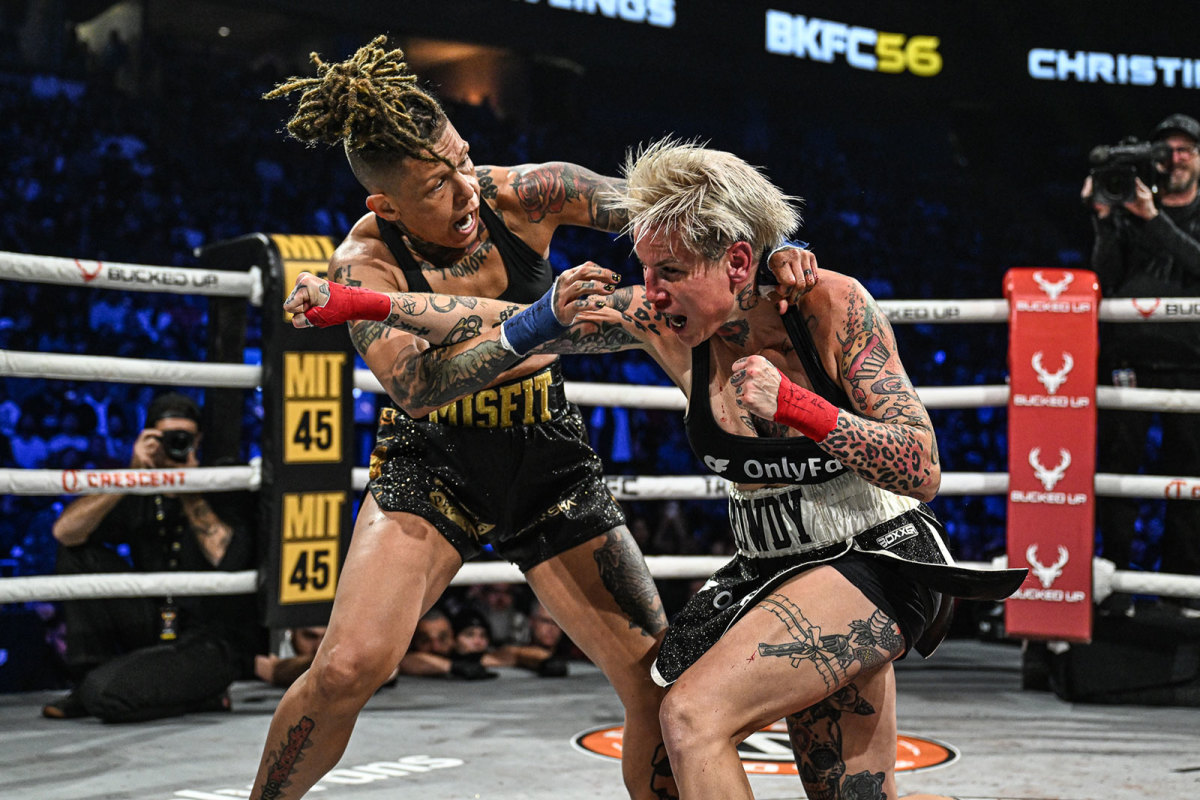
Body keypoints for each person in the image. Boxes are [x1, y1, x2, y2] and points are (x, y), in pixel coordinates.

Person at [286, 138, 1027, 800]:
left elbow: (921, 466)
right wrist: (354, 302)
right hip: (775, 569)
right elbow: (481, 321)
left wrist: (800, 406)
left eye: (669, 271)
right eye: (646, 269)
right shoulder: (667, 323)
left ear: (738, 263)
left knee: (692, 717)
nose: (653, 289)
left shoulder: (828, 306)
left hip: (876, 559)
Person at [250, 37, 805, 800]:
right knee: (347, 667)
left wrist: (772, 249)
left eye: (462, 160)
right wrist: (538, 322)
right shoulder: (363, 265)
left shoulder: (529, 193)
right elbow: (419, 388)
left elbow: (671, 220)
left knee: (655, 682)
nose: (465, 189)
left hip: (547, 457)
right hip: (433, 464)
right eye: (437, 184)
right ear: (386, 205)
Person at [43, 391, 262, 722]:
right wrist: (130, 476)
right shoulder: (141, 488)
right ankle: (86, 679)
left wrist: (187, 485)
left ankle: (201, 695)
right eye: (166, 438)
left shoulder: (223, 484)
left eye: (184, 437)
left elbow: (223, 557)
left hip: (210, 640)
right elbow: (65, 533)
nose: (176, 445)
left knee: (105, 694)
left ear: (198, 440)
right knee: (78, 555)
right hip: (154, 621)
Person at [1084, 112, 1200, 612]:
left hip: (1191, 364)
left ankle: (1183, 593)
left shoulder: (1157, 213)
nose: (1174, 159)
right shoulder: (1127, 208)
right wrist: (1105, 219)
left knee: (1189, 480)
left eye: (1184, 149)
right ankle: (1115, 588)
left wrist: (1154, 218)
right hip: (1128, 361)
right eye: (1165, 151)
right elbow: (1105, 277)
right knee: (1117, 475)